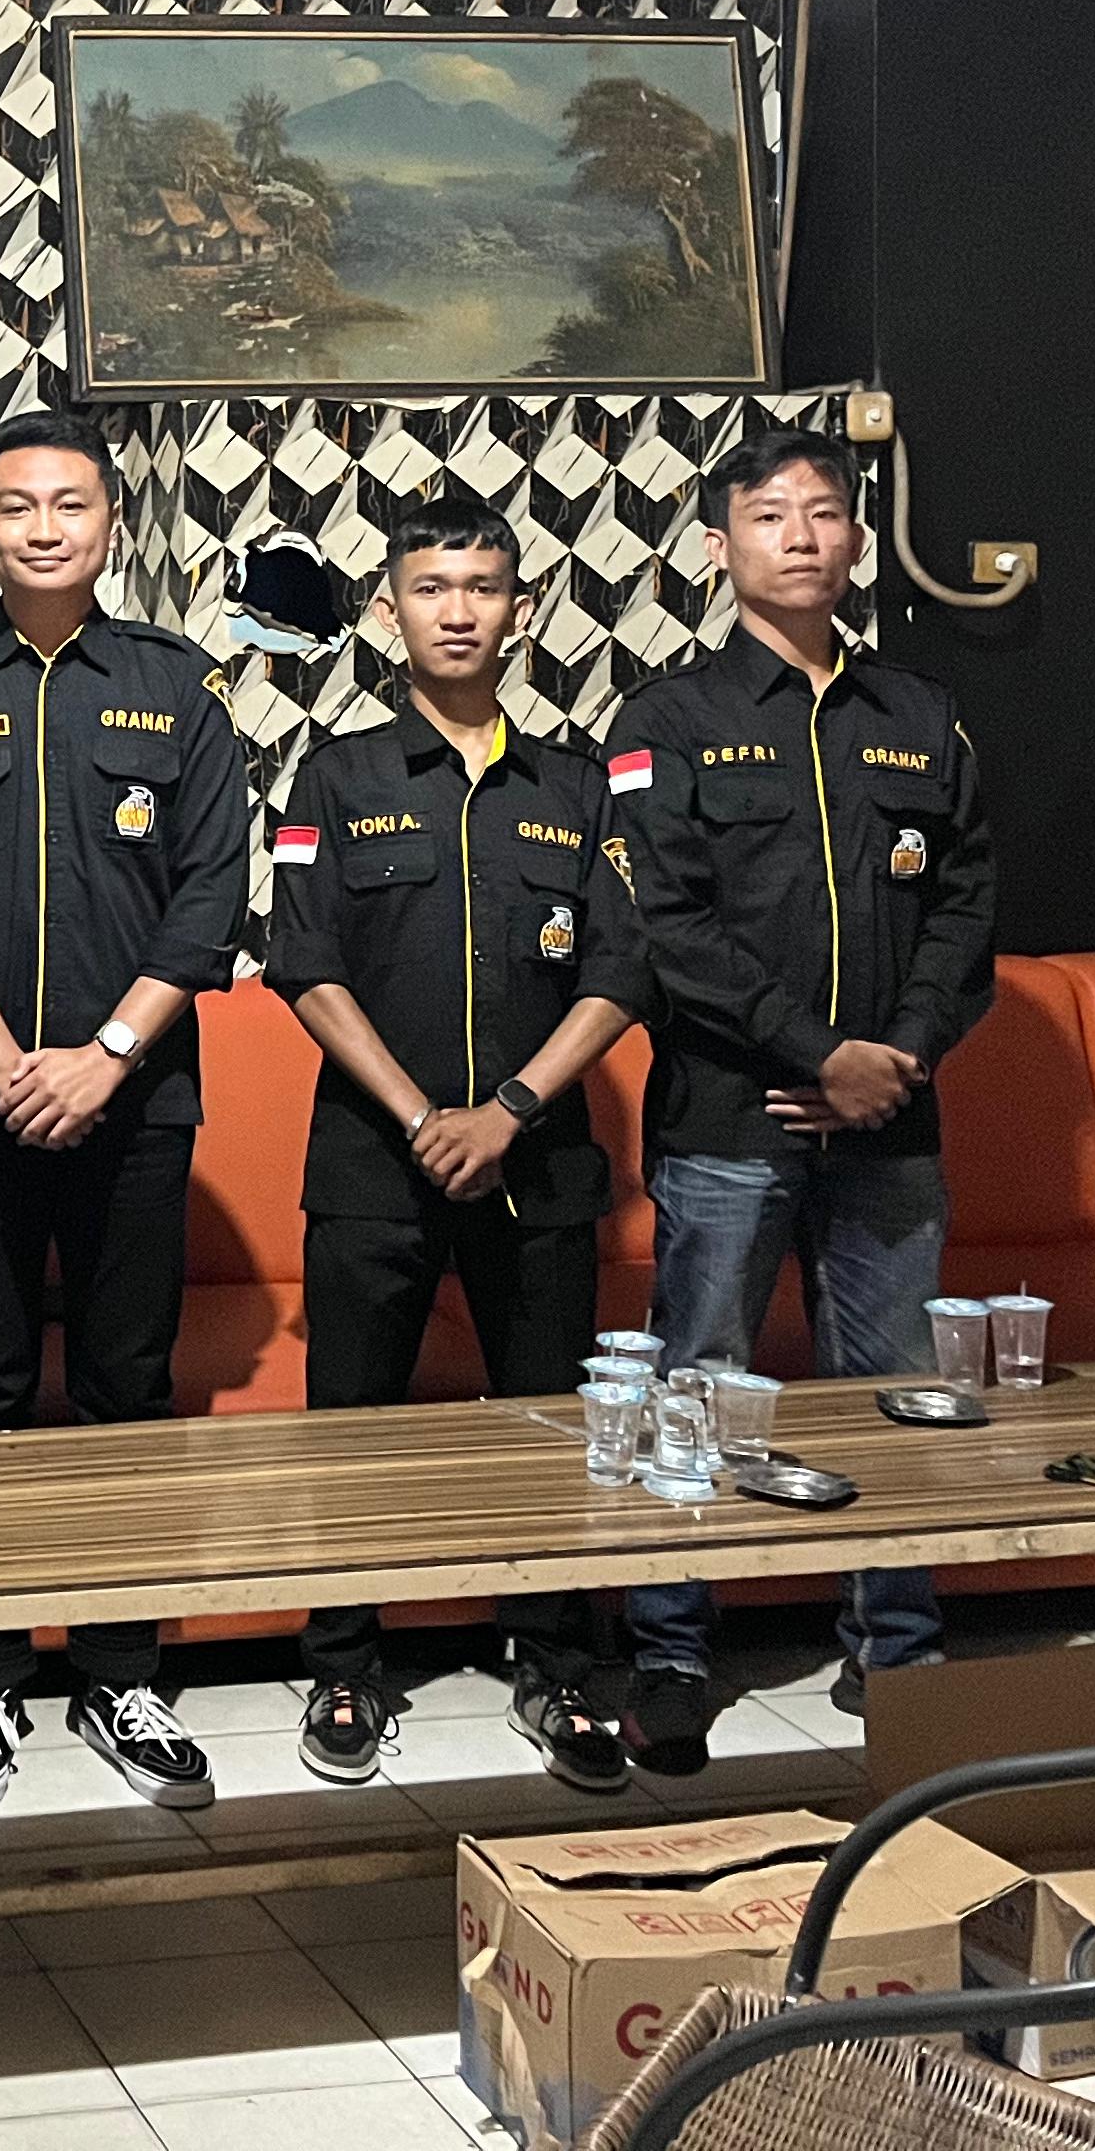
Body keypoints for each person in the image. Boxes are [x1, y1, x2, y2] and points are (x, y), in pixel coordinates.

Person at [0, 409, 253, 1816]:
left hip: (136, 1102)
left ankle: (120, 1670)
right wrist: (2, 1061)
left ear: (111, 524)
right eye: (16, 506)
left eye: (70, 503)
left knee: (124, 1390)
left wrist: (103, 1055)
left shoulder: (178, 684)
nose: (44, 527)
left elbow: (213, 892)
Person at [604, 424, 998, 1775]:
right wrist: (815, 1052)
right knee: (700, 1384)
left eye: (823, 512)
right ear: (721, 547)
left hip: (893, 1121)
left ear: (856, 540)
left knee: (897, 1393)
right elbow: (667, 927)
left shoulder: (921, 715)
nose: (801, 536)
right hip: (730, 1118)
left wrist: (894, 1057)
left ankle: (897, 1653)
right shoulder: (667, 720)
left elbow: (966, 907)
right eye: (769, 514)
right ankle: (670, 1651)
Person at [261, 496, 652, 1794]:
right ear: (390, 612)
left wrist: (511, 1110)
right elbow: (304, 964)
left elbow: (621, 968)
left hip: (539, 1166)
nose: (459, 611)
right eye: (432, 588)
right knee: (351, 1430)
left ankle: (556, 1664)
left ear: (520, 611)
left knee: (549, 1427)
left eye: (483, 588)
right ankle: (343, 1665)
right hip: (372, 1164)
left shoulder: (578, 786)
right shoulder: (336, 778)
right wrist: (426, 1117)